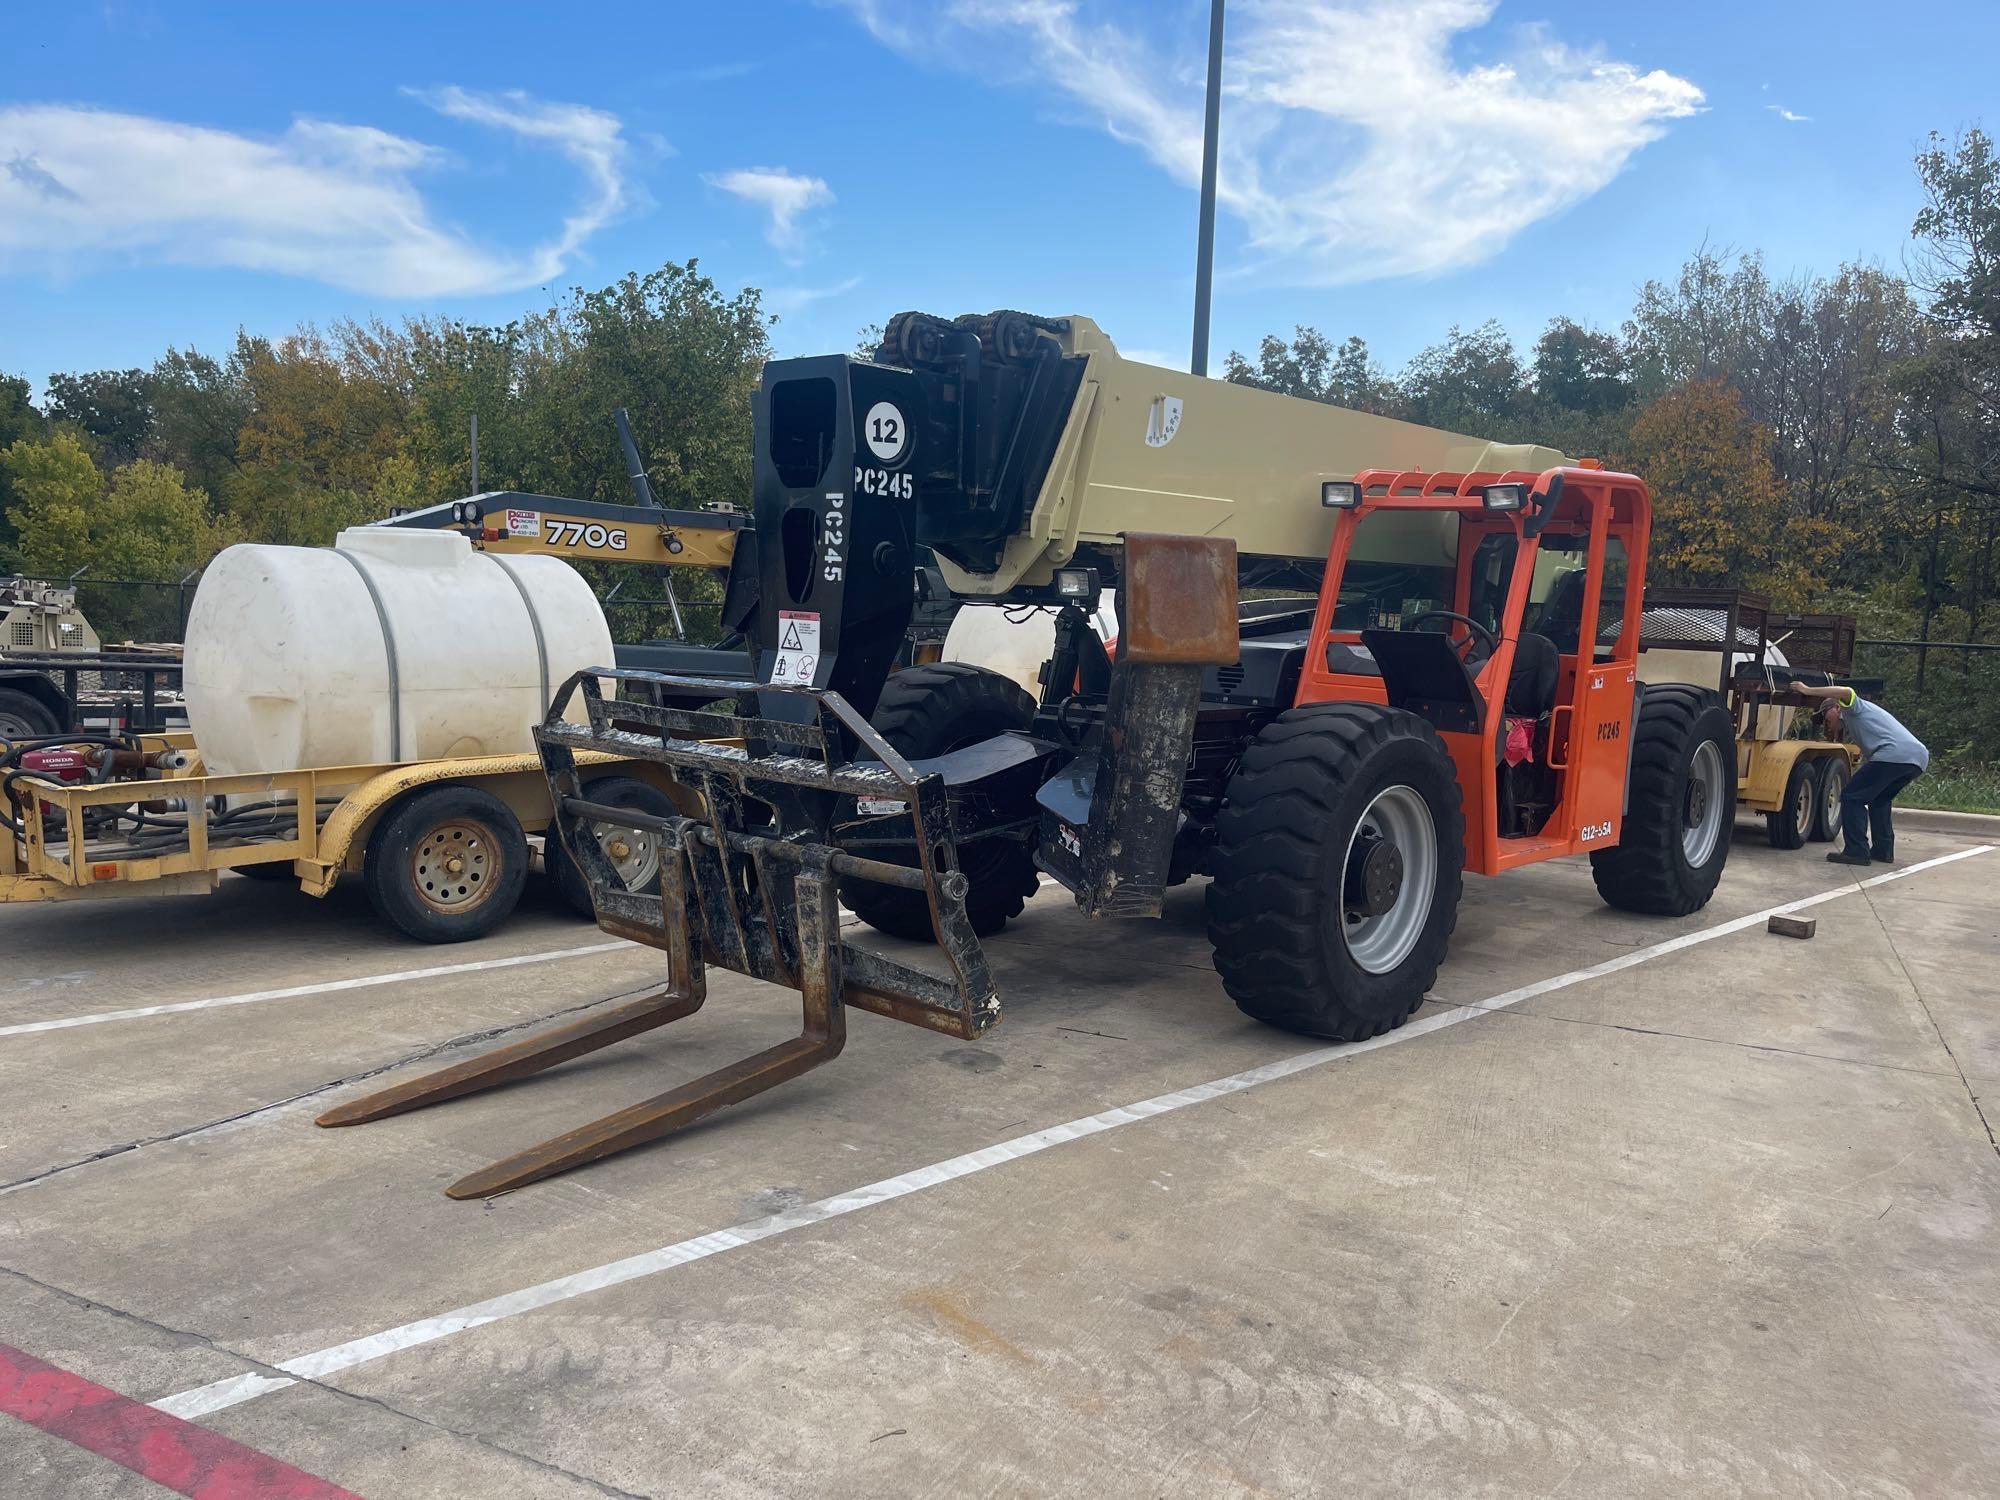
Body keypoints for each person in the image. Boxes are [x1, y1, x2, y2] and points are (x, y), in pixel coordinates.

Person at [1794, 684, 1929, 867]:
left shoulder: (1853, 708)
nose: (1825, 722)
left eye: (1825, 716)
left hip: (1893, 755)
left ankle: (1856, 851)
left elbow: (1846, 691)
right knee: (1879, 800)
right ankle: (1883, 851)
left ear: (1837, 708)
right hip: (1916, 758)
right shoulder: (1861, 720)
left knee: (1851, 797)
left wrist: (1808, 690)